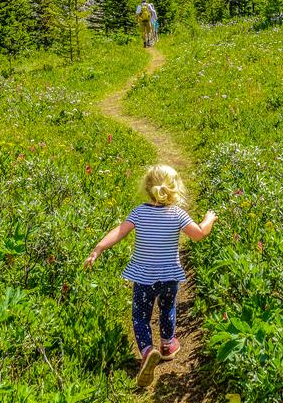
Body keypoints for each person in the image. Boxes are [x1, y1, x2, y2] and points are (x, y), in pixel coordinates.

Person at [84, 164, 218, 387]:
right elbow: (199, 234)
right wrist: (209, 218)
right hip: (169, 277)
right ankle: (167, 345)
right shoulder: (177, 214)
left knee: (140, 316)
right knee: (167, 308)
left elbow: (119, 232)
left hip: (144, 277)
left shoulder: (139, 212)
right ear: (175, 189)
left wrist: (98, 249)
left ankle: (147, 351)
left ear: (147, 188)